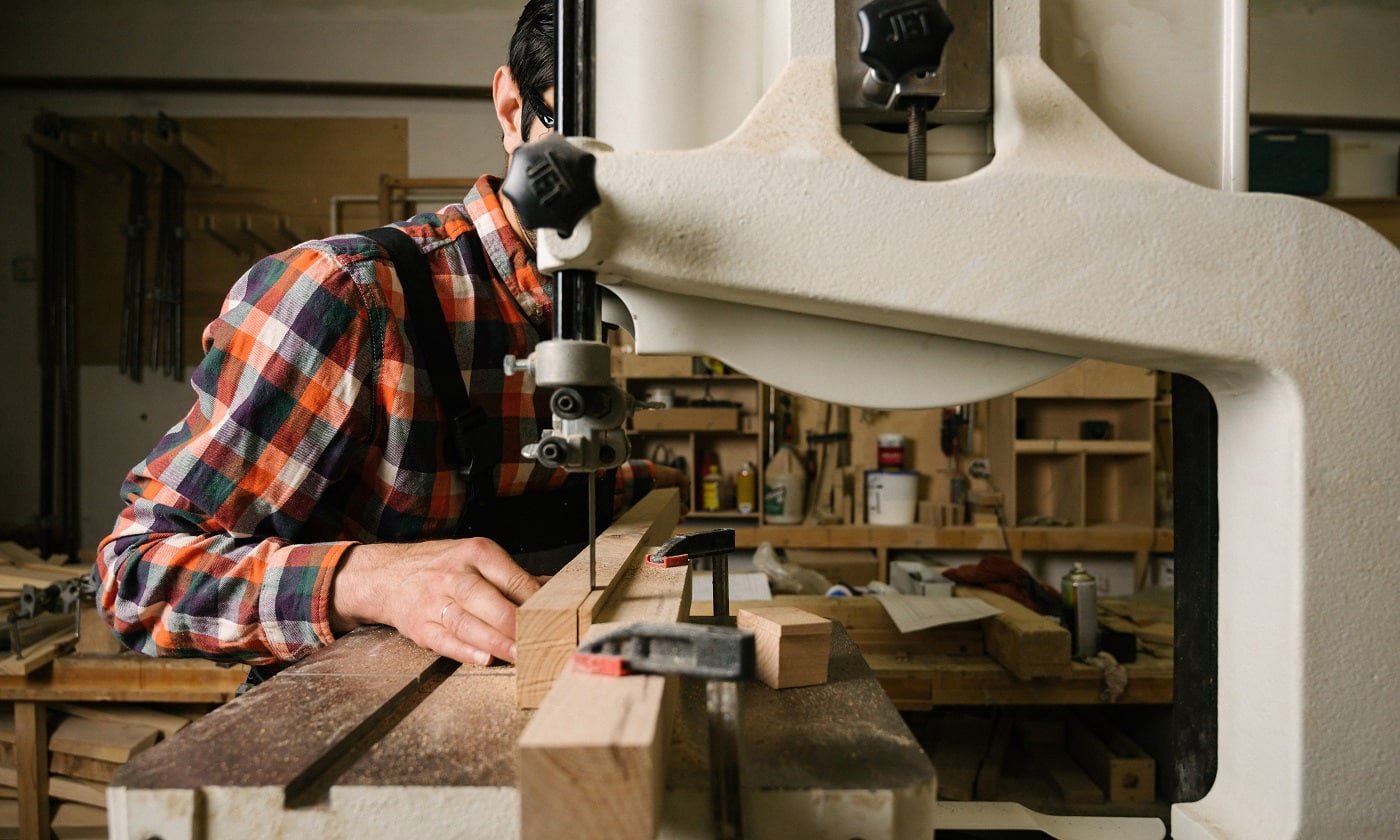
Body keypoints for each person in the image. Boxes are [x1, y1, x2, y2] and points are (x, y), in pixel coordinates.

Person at [94, 0, 684, 672]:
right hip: (345, 735)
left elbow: (534, 499)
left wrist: (654, 493)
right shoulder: (350, 294)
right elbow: (135, 575)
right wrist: (372, 582)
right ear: (510, 108)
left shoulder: (579, 308)